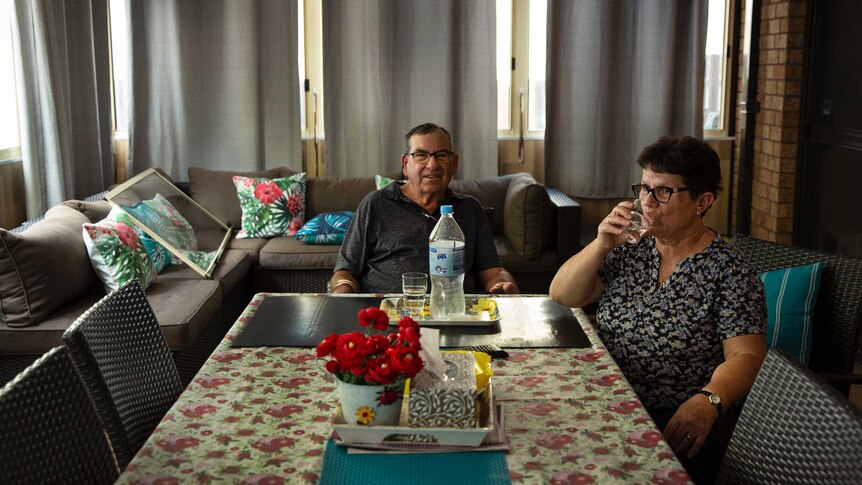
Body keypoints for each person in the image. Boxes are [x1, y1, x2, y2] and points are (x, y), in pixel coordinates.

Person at [549, 135, 766, 484]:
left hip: (673, 417)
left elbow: (746, 356)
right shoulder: (633, 247)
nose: (646, 202)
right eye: (643, 188)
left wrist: (709, 400)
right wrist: (601, 243)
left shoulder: (729, 271)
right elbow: (562, 294)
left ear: (702, 201)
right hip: (605, 397)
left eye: (663, 191)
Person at [329, 122, 519, 295]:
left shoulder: (470, 209)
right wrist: (342, 290)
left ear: (454, 163)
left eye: (441, 155)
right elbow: (345, 270)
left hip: (454, 314)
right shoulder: (375, 204)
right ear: (405, 164)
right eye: (421, 155)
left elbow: (493, 271)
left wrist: (503, 283)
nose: (433, 164)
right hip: (386, 315)